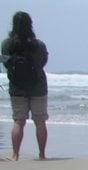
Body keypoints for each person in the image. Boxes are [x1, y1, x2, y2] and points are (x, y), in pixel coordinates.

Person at [1, 11, 49, 161]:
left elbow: (6, 63)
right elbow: (42, 63)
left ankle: (15, 155)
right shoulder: (39, 45)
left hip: (17, 87)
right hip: (38, 86)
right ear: (30, 25)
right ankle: (41, 154)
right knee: (40, 121)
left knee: (18, 121)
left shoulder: (7, 44)